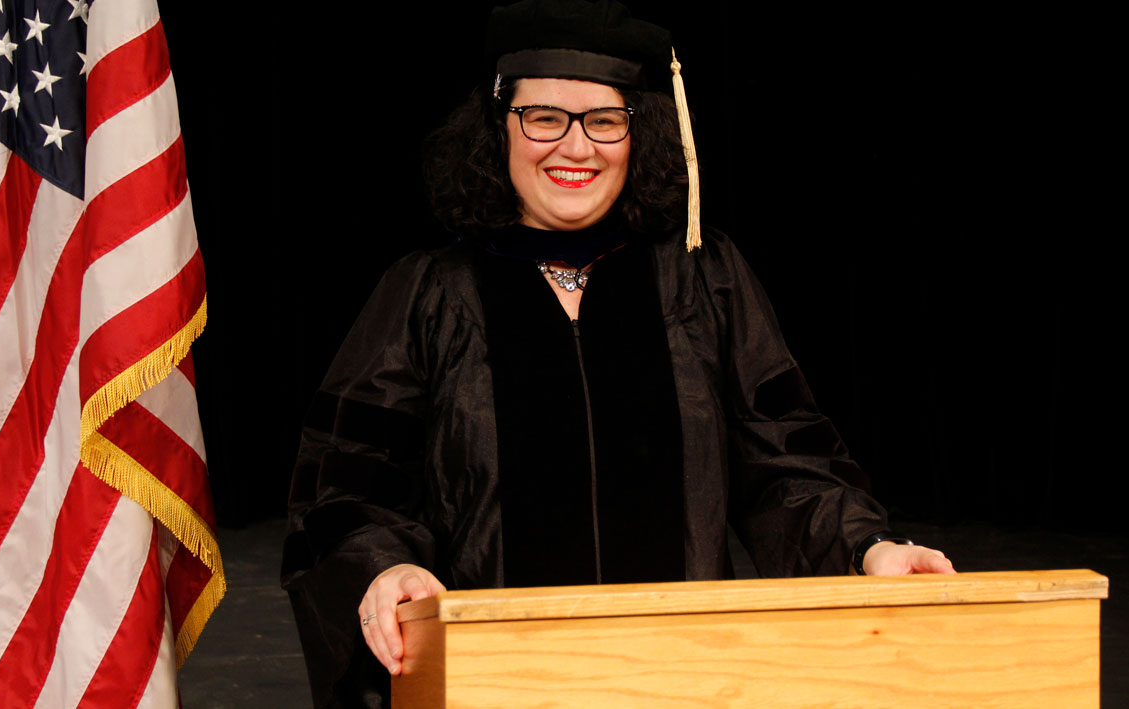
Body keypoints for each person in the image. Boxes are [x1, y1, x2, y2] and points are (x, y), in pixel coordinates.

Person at [281, 1, 953, 705]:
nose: (576, 148)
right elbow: (345, 487)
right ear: (497, 128)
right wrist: (382, 569)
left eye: (603, 121)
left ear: (638, 135)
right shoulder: (429, 295)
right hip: (495, 678)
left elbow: (785, 462)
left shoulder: (701, 280)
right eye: (544, 117)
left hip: (684, 675)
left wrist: (867, 548)